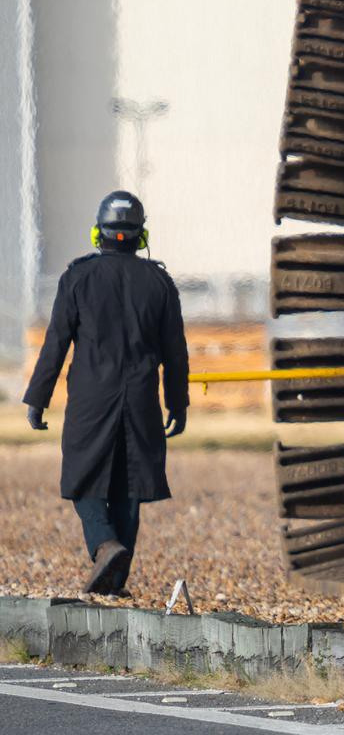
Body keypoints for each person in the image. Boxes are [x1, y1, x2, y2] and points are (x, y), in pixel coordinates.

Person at [22, 190, 189, 596]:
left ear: (98, 233)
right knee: (129, 488)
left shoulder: (77, 277)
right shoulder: (160, 282)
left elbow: (56, 343)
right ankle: (114, 581)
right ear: (140, 235)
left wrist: (37, 398)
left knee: (84, 481)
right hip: (140, 401)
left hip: (90, 401)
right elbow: (175, 351)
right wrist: (177, 403)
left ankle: (104, 546)